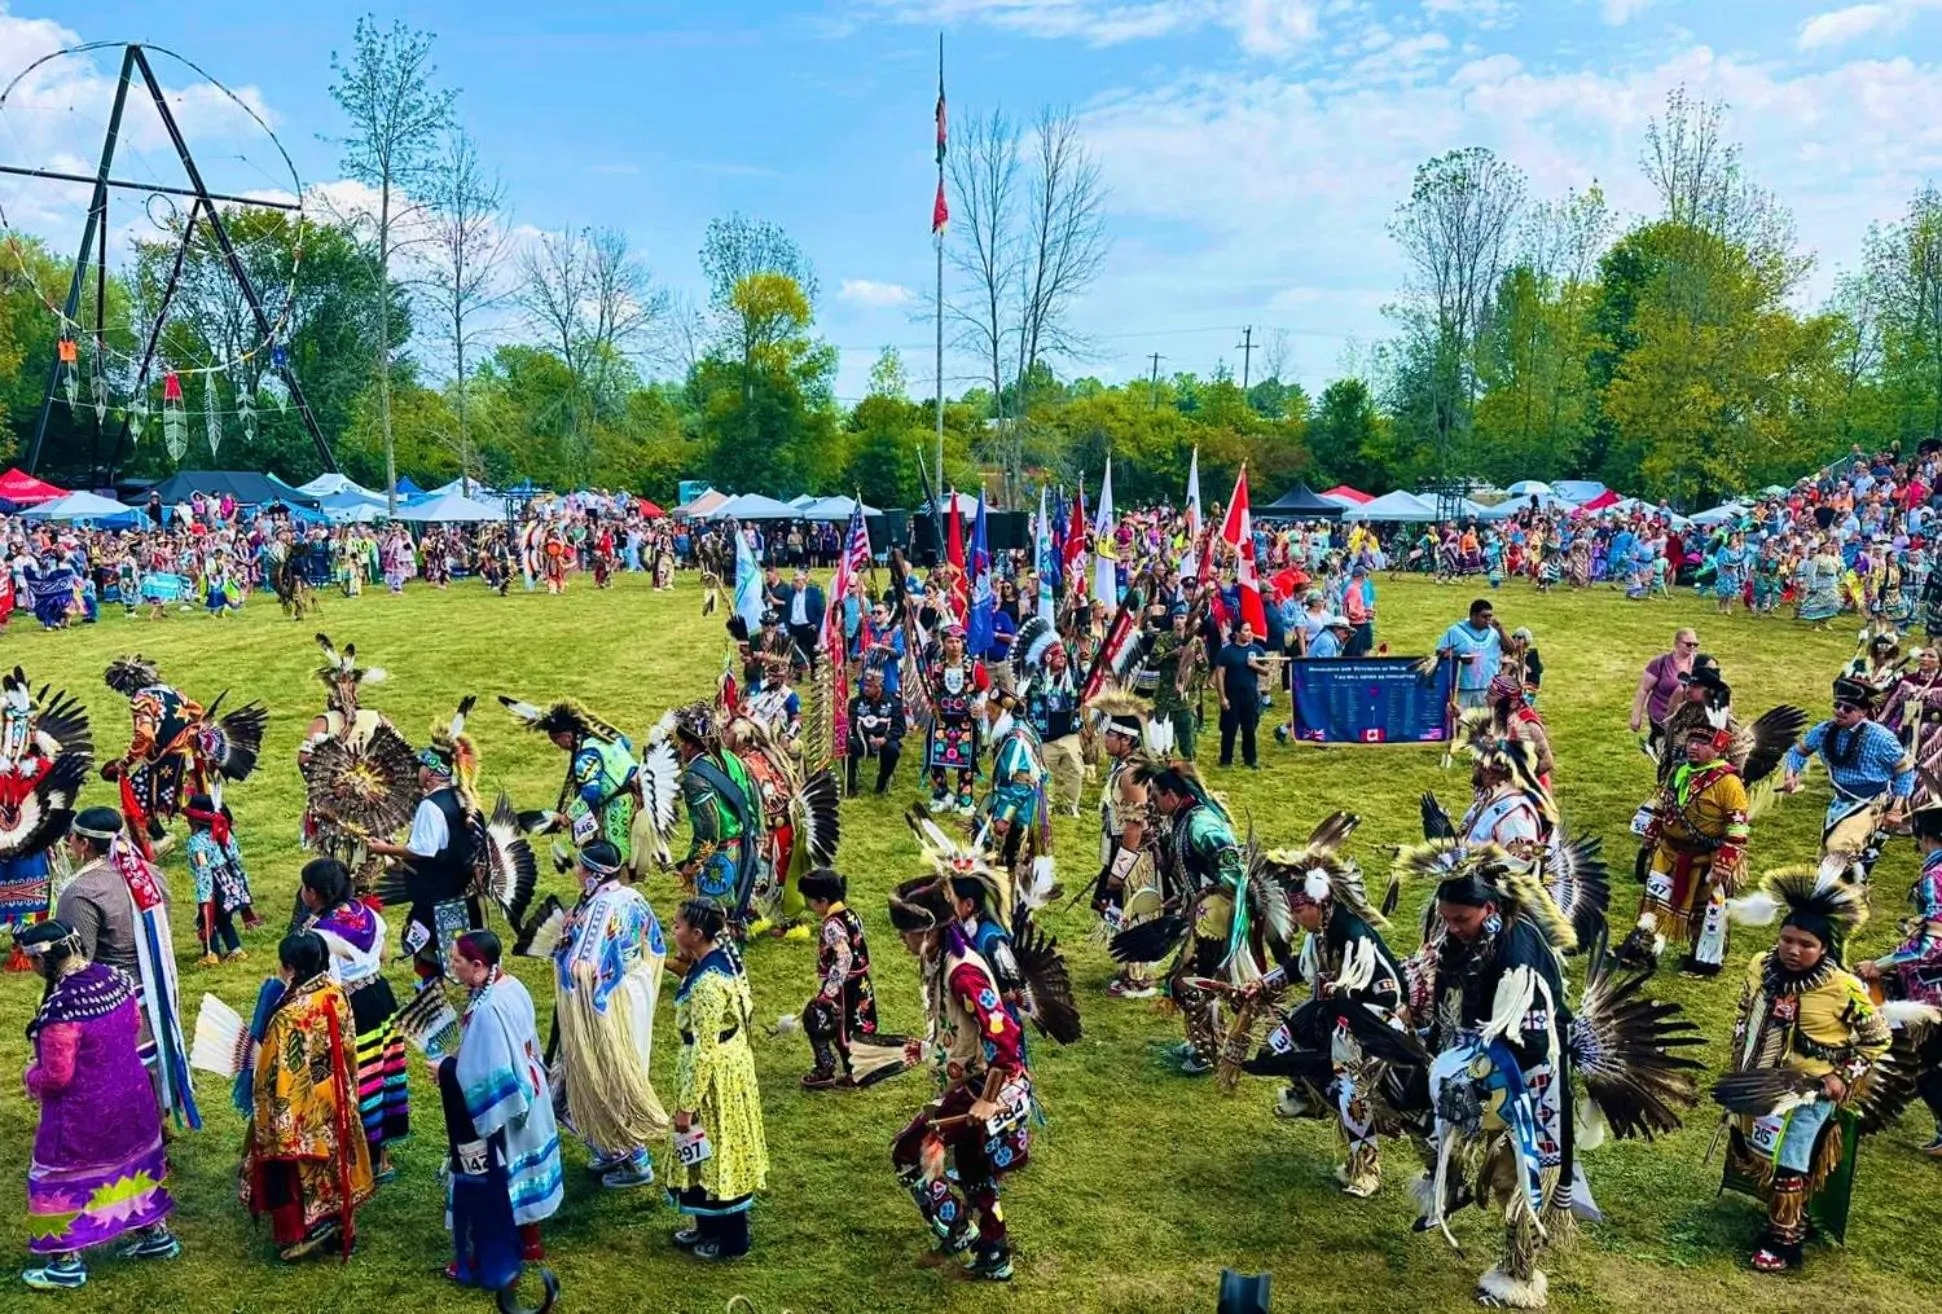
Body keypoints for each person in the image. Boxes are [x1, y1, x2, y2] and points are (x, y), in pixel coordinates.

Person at [1718, 869, 1891, 1274]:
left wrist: (1841, 1077)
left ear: (1825, 948)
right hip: (1763, 1079)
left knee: (1792, 1161)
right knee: (1757, 1148)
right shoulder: (1761, 966)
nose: (1793, 950)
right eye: (1786, 940)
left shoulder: (1844, 987)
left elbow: (1877, 1038)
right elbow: (1746, 1013)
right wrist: (1742, 1060)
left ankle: (1783, 1241)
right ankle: (1784, 1214)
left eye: (1806, 945)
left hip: (1812, 1089)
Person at [16, 919, 180, 1291]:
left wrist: (31, 1076)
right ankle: (155, 1235)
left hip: (82, 1112)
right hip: (133, 1098)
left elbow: (57, 1076)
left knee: (57, 1176)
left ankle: (65, 1264)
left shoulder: (62, 1007)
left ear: (42, 961)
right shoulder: (117, 979)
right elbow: (135, 1024)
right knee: (132, 1163)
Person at [1250, 821, 1412, 1198]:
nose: (1292, 917)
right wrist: (1262, 984)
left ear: (1318, 902)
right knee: (1279, 1043)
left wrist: (1346, 1013)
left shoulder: (1352, 935)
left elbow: (1391, 993)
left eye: (1297, 909)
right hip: (1335, 1016)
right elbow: (1299, 968)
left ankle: (1366, 1170)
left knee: (1351, 1090)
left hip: (1373, 1023)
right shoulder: (1321, 932)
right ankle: (1310, 1096)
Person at [886, 875, 1033, 1282]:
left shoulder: (961, 972)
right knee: (973, 1169)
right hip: (966, 1078)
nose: (903, 940)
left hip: (982, 1083)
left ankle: (959, 1232)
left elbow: (1005, 1033)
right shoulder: (940, 960)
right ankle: (995, 1254)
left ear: (928, 930)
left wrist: (987, 1098)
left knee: (908, 1151)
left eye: (907, 932)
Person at [54, 806, 198, 1130]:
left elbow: (77, 962)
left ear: (84, 844)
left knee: (116, 1071)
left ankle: (131, 1145)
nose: (70, 844)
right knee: (148, 1062)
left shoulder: (81, 892)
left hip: (110, 999)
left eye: (73, 839)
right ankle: (156, 1131)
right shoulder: (149, 874)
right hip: (156, 992)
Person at [439, 929, 563, 1295]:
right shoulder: (510, 985)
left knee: (492, 1176)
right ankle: (529, 1239)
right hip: (530, 1092)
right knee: (522, 1166)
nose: (451, 967)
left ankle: (483, 1254)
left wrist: (445, 1068)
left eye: (456, 962)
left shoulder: (489, 1008)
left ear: (479, 966)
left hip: (506, 1105)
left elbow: (483, 1075)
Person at [240, 932, 375, 1261]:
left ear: (289, 966)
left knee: (298, 1164)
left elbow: (278, 1070)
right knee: (336, 1157)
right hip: (335, 1091)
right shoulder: (334, 992)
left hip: (302, 1100)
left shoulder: (290, 1014)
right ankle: (343, 1227)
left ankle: (303, 1230)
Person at [549, 840, 669, 1191]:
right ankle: (610, 1147)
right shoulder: (632, 897)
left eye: (580, 868)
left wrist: (562, 949)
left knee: (605, 1072)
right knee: (616, 1068)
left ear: (594, 875)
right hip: (634, 992)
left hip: (608, 1003)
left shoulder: (602, 908)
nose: (576, 872)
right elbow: (656, 944)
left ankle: (634, 1159)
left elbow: (581, 967)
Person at [666, 897, 769, 1261]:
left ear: (696, 934)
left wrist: (687, 1105)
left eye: (677, 926)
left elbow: (705, 1049)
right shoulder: (719, 957)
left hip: (713, 1078)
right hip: (727, 1064)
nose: (672, 930)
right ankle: (706, 1227)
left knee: (719, 1150)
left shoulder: (709, 983)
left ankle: (731, 1240)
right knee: (703, 1152)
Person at [297, 859, 408, 1182]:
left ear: (314, 893)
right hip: (381, 997)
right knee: (384, 1071)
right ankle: (382, 1158)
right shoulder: (365, 913)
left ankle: (360, 1160)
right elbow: (383, 953)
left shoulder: (322, 934)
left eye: (305, 887)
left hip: (350, 1008)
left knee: (358, 1080)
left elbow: (327, 985)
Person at [367, 698, 489, 980]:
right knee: (469, 952)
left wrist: (383, 847)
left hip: (435, 896)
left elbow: (423, 850)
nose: (417, 771)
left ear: (432, 773)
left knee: (429, 955)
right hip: (464, 893)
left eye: (422, 766)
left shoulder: (431, 807)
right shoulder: (464, 798)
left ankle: (431, 996)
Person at [1621, 720, 1750, 976]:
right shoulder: (1680, 771)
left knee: (1704, 912)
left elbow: (1738, 827)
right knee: (1654, 901)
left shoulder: (1729, 783)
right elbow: (1664, 804)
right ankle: (1643, 949)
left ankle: (1703, 959)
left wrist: (1725, 861)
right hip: (1668, 851)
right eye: (1691, 742)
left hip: (1705, 859)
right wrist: (1654, 830)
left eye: (1702, 744)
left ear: (1718, 748)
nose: (1693, 747)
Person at [498, 695, 671, 878]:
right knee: (625, 852)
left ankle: (615, 891)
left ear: (567, 736)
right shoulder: (600, 735)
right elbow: (625, 742)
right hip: (636, 795)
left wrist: (567, 817)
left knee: (615, 856)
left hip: (619, 805)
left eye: (557, 740)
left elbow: (590, 794)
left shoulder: (585, 756)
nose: (558, 745)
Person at [1857, 805, 1942, 1155]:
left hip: (1933, 989)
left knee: (1919, 1059)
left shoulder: (1935, 876)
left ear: (1925, 836)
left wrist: (1882, 964)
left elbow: (1932, 944)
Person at [1781, 676, 1916, 883]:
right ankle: (1842, 893)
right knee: (1826, 851)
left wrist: (1896, 809)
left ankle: (1844, 892)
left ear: (1863, 712)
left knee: (1839, 848)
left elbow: (1906, 771)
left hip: (1870, 801)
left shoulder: (1881, 738)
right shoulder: (1825, 730)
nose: (1840, 711)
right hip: (1840, 800)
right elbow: (1798, 752)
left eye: (1848, 708)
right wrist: (1791, 775)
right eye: (1837, 705)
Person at [0, 666, 91, 962]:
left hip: (32, 839)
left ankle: (23, 943)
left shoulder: (38, 762)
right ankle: (22, 943)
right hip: (27, 837)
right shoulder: (38, 762)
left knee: (29, 879)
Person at [1089, 692, 1163, 1000]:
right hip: (1122, 850)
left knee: (1134, 914)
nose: (1105, 739)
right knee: (1119, 912)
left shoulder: (1132, 774)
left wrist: (1121, 868)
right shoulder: (1125, 768)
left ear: (1125, 739)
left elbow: (1136, 824)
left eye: (1110, 735)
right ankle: (1132, 969)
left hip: (1133, 856)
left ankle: (1138, 978)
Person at [798, 868, 900, 1089]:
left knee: (818, 1019)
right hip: (860, 983)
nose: (810, 907)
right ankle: (856, 1071)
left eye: (811, 902)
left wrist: (829, 992)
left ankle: (828, 1069)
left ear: (822, 901)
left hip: (844, 987)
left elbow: (843, 957)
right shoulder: (850, 914)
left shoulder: (832, 925)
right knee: (855, 1026)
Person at [670, 703, 763, 934]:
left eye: (681, 743)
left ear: (691, 746)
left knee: (713, 924)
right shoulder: (733, 759)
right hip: (744, 848)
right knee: (733, 915)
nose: (680, 748)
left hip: (719, 856)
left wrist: (692, 864)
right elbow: (753, 801)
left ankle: (719, 966)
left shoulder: (694, 777)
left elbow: (709, 831)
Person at [1014, 618, 1083, 817]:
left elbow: (1085, 684)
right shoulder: (1035, 679)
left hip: (1068, 733)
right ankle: (1047, 803)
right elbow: (1023, 695)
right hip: (1043, 736)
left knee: (1075, 769)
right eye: (1057, 655)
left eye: (1063, 655)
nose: (1062, 658)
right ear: (1047, 658)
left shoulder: (1071, 677)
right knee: (1045, 772)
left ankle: (1070, 804)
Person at [922, 624, 990, 816]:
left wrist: (981, 704)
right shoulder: (935, 667)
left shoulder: (974, 667)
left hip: (965, 721)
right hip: (941, 720)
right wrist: (929, 703)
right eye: (950, 642)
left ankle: (965, 800)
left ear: (963, 643)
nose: (954, 646)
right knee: (936, 760)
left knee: (967, 762)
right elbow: (928, 690)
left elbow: (985, 688)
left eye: (957, 642)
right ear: (943, 643)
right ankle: (941, 796)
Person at [183, 794, 260, 966]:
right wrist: (241, 881)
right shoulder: (224, 833)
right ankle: (236, 949)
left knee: (207, 920)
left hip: (213, 884)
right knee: (224, 919)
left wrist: (205, 895)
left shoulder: (197, 841)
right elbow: (236, 858)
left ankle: (211, 953)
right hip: (229, 883)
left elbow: (202, 866)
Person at [1213, 618, 1268, 768]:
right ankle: (1226, 759)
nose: (1249, 633)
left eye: (1250, 630)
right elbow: (1220, 675)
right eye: (1246, 630)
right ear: (1237, 633)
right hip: (1232, 695)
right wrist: (1222, 697)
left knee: (1249, 728)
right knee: (1229, 729)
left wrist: (1255, 665)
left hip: (1250, 696)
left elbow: (1267, 671)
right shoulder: (1227, 652)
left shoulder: (1256, 650)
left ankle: (1250, 759)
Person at [1436, 599, 1507, 712]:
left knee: (1481, 726)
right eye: (1484, 616)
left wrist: (1500, 629)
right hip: (1461, 687)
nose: (1488, 620)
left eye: (1490, 616)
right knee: (1456, 723)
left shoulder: (1494, 631)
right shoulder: (1455, 631)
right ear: (1473, 616)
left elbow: (1511, 649)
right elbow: (1440, 652)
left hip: (1486, 688)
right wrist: (1459, 657)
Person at [845, 665, 905, 797]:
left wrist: (885, 738)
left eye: (870, 686)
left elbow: (900, 728)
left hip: (884, 740)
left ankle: (882, 782)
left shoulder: (893, 703)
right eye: (865, 684)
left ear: (879, 686)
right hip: (862, 739)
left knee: (892, 749)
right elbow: (851, 723)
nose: (865, 688)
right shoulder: (856, 702)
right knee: (848, 745)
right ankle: (850, 786)